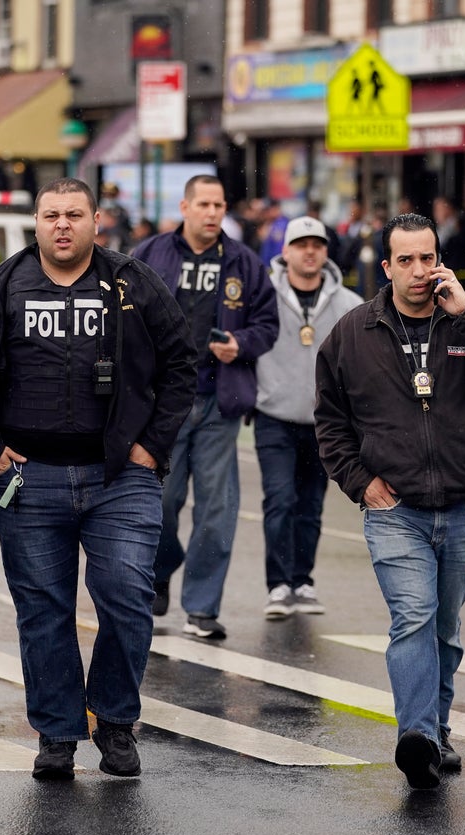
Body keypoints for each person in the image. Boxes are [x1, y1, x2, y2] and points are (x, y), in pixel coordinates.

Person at [0, 178, 197, 781]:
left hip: (120, 478)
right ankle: (56, 734)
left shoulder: (132, 284)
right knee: (44, 611)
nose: (62, 225)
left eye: (73, 215)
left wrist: (152, 448)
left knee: (130, 599)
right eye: (51, 215)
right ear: (35, 222)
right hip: (28, 481)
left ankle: (114, 720)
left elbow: (182, 363)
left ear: (95, 221)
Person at [314, 212, 465, 789]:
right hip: (396, 511)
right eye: (407, 261)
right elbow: (330, 421)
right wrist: (360, 481)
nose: (420, 271)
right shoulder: (352, 333)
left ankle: (436, 732)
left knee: (444, 628)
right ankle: (415, 737)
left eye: (428, 258)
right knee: (412, 619)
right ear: (386, 266)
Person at [133, 174, 279, 640]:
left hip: (221, 399)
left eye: (220, 205)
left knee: (218, 508)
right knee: (161, 501)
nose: (214, 213)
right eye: (205, 204)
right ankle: (157, 575)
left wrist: (242, 343)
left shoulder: (244, 262)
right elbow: (124, 316)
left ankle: (202, 607)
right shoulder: (151, 254)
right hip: (164, 403)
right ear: (186, 207)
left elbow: (268, 324)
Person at [255, 216, 363, 620]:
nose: (310, 251)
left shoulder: (347, 303)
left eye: (317, 244)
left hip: (325, 423)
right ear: (286, 252)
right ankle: (278, 584)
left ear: (326, 251)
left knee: (310, 506)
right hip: (274, 415)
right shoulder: (262, 295)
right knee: (279, 500)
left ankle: (303, 580)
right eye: (302, 244)